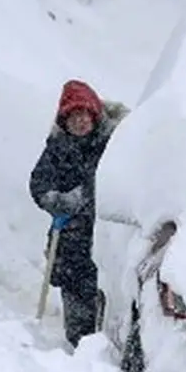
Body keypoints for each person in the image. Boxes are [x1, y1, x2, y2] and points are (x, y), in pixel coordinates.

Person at [29, 79, 128, 349]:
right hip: (72, 235)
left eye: (84, 115)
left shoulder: (113, 143)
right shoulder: (58, 146)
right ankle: (79, 346)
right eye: (73, 117)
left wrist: (86, 195)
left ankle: (108, 345)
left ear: (95, 115)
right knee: (74, 283)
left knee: (107, 288)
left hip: (108, 230)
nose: (80, 122)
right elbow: (39, 183)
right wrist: (55, 200)